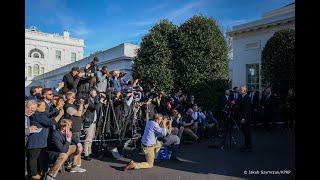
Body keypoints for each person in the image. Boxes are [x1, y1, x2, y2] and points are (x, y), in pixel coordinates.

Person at [27, 101, 57, 179]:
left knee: (40, 157)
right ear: (37, 108)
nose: (45, 107)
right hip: (35, 140)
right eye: (43, 105)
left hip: (41, 141)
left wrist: (57, 108)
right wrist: (59, 114)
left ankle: (38, 172)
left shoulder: (40, 114)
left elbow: (48, 114)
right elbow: (50, 122)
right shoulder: (36, 115)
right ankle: (33, 174)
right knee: (33, 157)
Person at [82, 89, 100, 160]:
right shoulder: (88, 100)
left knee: (91, 138)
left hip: (93, 122)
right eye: (94, 92)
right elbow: (94, 107)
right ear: (90, 92)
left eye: (96, 92)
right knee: (88, 138)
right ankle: (86, 154)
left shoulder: (94, 100)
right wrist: (100, 102)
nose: (95, 94)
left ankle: (89, 152)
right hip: (89, 122)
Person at [238, 86, 253, 152]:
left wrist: (244, 118)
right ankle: (246, 145)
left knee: (247, 132)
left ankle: (249, 147)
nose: (239, 91)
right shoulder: (242, 97)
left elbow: (247, 110)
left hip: (246, 118)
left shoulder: (247, 98)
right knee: (245, 132)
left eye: (240, 90)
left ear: (244, 91)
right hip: (244, 117)